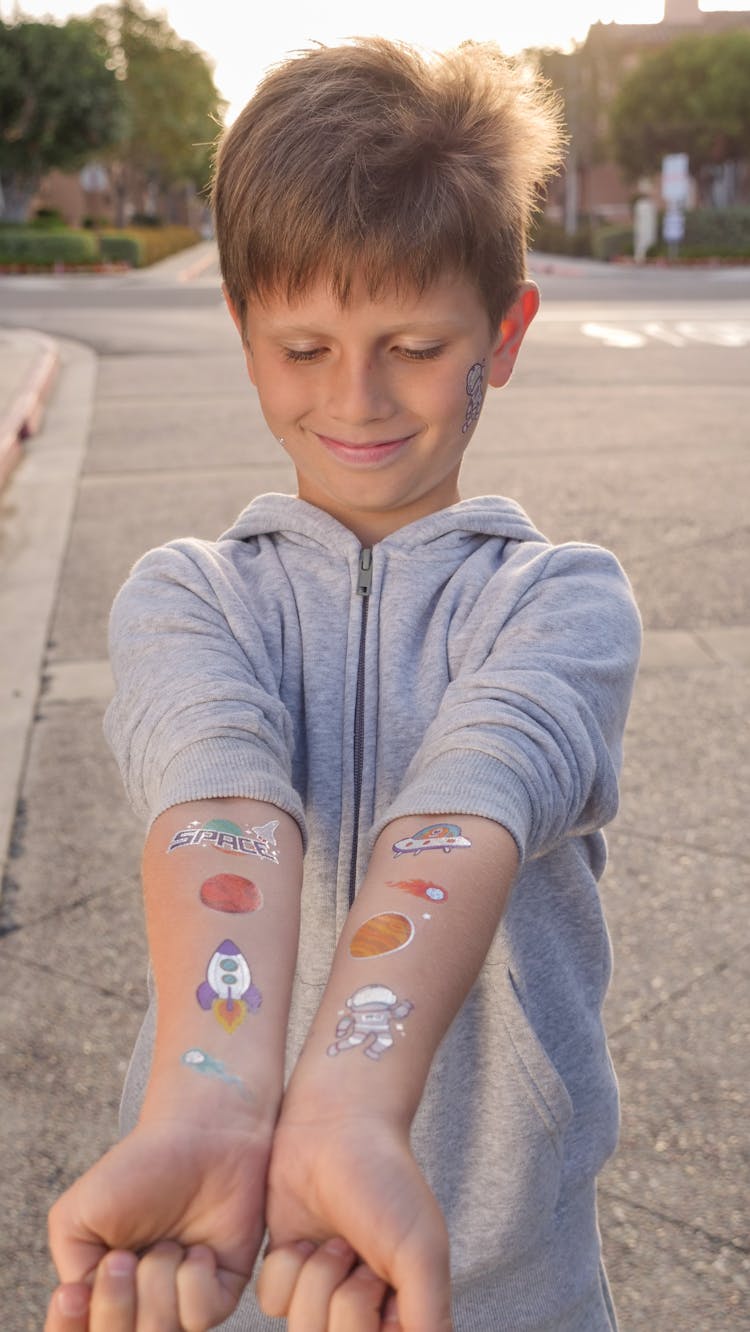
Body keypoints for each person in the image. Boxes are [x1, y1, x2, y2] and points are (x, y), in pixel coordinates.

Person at [45, 36, 641, 1332]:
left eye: (414, 343)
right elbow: (224, 801)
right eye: (304, 346)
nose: (356, 395)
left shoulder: (560, 599)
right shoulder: (187, 596)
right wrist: (216, 1108)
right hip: (239, 1259)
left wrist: (350, 1105)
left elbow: (468, 796)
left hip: (511, 1287)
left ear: (506, 328)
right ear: (243, 331)